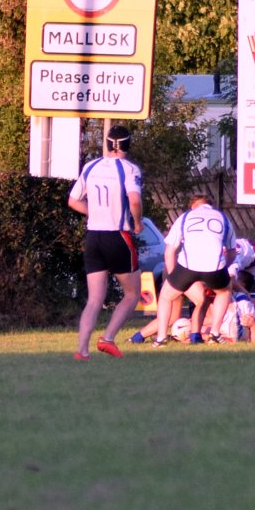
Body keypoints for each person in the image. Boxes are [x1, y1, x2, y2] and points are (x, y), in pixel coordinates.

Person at [67, 123, 143, 360]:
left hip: (94, 237)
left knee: (94, 299)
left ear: (108, 144)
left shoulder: (91, 166)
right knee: (132, 293)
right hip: (117, 235)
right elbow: (134, 200)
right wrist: (137, 222)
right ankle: (107, 338)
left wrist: (95, 212)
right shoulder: (130, 169)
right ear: (128, 145)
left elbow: (73, 200)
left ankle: (82, 350)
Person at [153, 192, 234, 345]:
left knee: (165, 296)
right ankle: (215, 334)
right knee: (224, 291)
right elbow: (232, 251)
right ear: (211, 205)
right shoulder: (223, 218)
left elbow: (169, 252)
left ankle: (161, 338)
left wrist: (173, 277)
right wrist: (224, 269)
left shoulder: (185, 217)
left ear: (193, 206)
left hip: (188, 266)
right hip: (215, 266)